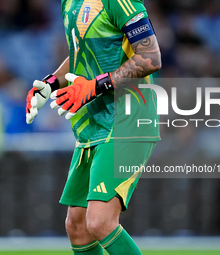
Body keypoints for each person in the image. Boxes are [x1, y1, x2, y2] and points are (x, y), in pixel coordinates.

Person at [26, 0, 161, 254]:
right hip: (95, 125)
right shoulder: (70, 3)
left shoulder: (120, 2)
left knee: (100, 221)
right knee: (77, 227)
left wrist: (98, 85)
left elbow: (151, 57)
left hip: (128, 118)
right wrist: (52, 83)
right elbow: (81, 51)